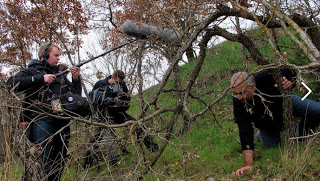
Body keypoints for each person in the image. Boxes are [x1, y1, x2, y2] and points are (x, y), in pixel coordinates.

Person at [7, 42, 82, 181]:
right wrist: (41, 78)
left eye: (59, 55)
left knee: (58, 163)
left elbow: (76, 97)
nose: (58, 58)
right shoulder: (34, 71)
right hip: (42, 122)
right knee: (42, 162)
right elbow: (11, 83)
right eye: (55, 55)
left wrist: (76, 78)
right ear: (45, 55)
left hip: (63, 124)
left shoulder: (60, 76)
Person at [231, 70, 320, 176]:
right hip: (267, 124)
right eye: (235, 93)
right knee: (273, 146)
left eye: (242, 92)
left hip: (286, 103)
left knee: (317, 110)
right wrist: (249, 164)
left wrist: (291, 82)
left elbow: (289, 70)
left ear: (253, 87)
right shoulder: (238, 101)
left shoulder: (265, 76)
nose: (239, 97)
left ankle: (299, 134)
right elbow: (244, 129)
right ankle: (261, 134)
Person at [83, 70, 159, 168]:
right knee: (99, 138)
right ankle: (88, 162)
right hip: (103, 115)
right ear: (112, 78)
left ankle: (154, 148)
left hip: (118, 113)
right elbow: (92, 98)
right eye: (117, 82)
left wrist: (121, 98)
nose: (119, 84)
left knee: (137, 125)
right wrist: (105, 100)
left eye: (121, 82)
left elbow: (126, 99)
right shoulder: (100, 84)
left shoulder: (122, 85)